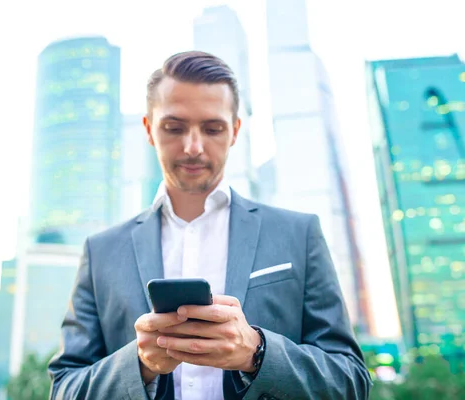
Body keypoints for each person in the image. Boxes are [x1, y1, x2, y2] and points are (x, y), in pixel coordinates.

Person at [48, 51, 372, 400]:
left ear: (234, 131)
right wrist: (139, 364)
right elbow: (64, 389)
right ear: (148, 129)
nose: (193, 147)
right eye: (174, 127)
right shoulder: (102, 252)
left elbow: (350, 382)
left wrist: (256, 353)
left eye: (212, 128)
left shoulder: (298, 235)